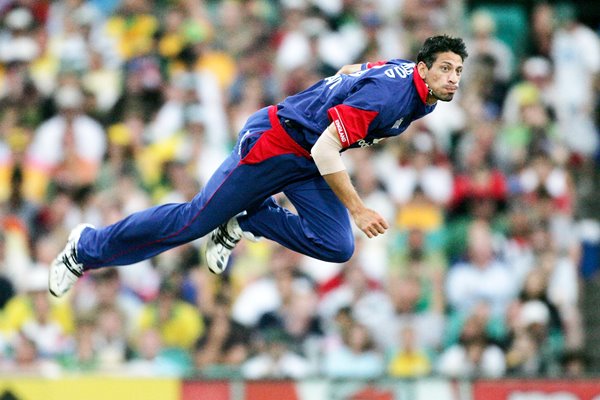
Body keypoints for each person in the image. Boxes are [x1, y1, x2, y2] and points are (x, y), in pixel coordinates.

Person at [49, 35, 468, 298]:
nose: (453, 78)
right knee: (190, 222)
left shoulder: (422, 96)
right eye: (445, 68)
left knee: (337, 245)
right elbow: (328, 150)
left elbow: (350, 71)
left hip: (307, 153)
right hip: (276, 142)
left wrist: (321, 108)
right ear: (423, 68)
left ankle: (247, 220)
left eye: (458, 71)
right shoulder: (391, 98)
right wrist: (358, 208)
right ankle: (84, 249)